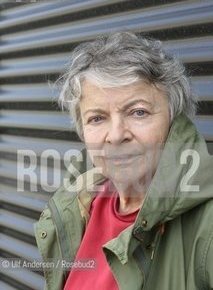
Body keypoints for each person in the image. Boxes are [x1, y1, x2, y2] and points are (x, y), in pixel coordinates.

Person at [34, 32, 213, 290]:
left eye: (138, 112)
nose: (116, 135)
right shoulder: (80, 205)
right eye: (97, 118)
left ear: (173, 120)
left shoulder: (206, 225)